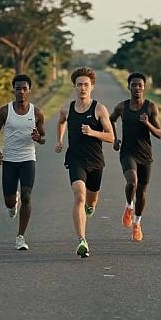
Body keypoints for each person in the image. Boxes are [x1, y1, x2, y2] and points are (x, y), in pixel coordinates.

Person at [55, 67, 114, 258]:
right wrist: (60, 140)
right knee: (79, 196)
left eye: (86, 85)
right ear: (74, 87)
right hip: (75, 160)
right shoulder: (67, 108)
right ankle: (82, 240)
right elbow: (61, 121)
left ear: (92, 87)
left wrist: (93, 132)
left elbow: (111, 137)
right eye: (79, 84)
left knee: (90, 201)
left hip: (95, 161)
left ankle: (90, 206)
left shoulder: (99, 109)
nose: (82, 88)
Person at [0, 74, 45, 250]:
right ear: (13, 90)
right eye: (18, 88)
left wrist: (39, 138)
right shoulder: (4, 111)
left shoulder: (36, 112)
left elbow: (43, 138)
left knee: (27, 196)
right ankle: (13, 203)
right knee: (9, 201)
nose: (21, 91)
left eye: (24, 88)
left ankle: (20, 237)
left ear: (29, 90)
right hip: (9, 160)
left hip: (28, 159)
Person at [110, 72, 161, 241]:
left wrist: (147, 123)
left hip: (145, 154)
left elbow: (160, 134)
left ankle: (137, 223)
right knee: (132, 182)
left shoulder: (151, 107)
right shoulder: (122, 107)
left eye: (140, 85)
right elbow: (111, 120)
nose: (137, 88)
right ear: (128, 87)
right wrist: (114, 139)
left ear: (144, 87)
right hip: (127, 152)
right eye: (134, 85)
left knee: (142, 192)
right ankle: (128, 206)